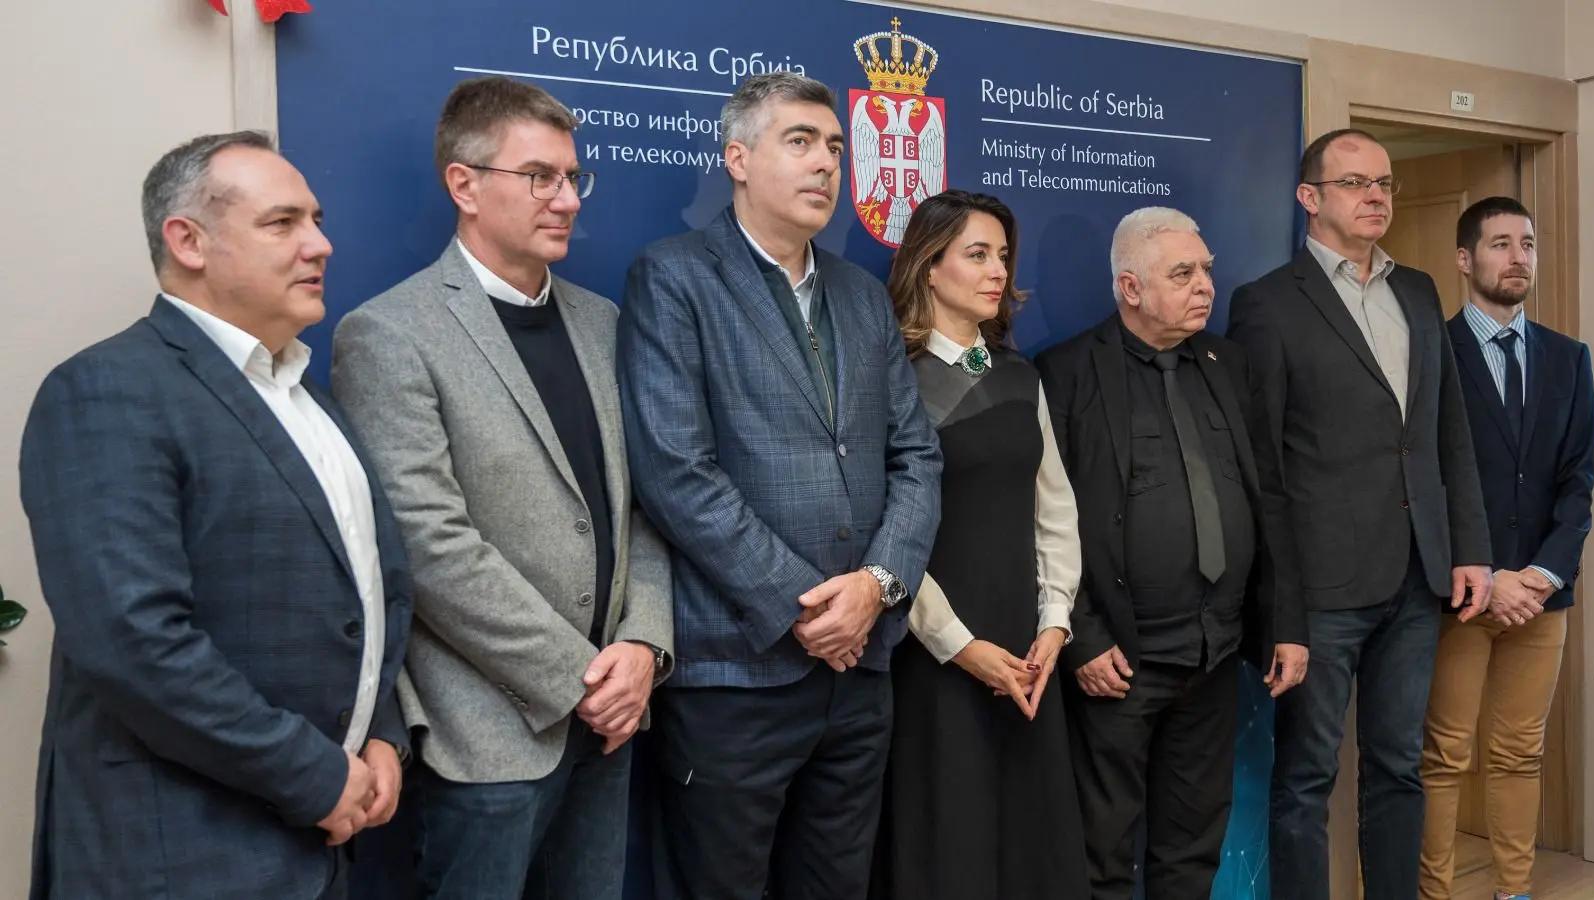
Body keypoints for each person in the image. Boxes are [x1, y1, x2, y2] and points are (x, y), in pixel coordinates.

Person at [18, 131, 412, 900]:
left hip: (321, 848)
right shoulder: (105, 390)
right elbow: (133, 642)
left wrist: (381, 735)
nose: (320, 244)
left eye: (316, 220)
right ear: (188, 241)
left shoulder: (309, 398)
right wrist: (313, 774)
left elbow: (360, 600)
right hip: (178, 856)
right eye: (282, 223)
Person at [330, 76, 673, 900]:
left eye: (573, 177)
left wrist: (645, 646)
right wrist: (582, 679)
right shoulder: (389, 334)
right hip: (487, 736)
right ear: (465, 184)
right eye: (540, 177)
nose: (567, 200)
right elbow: (429, 545)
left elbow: (643, 505)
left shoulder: (602, 321)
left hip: (612, 720)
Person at [617, 71, 942, 900]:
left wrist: (875, 586)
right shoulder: (675, 277)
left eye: (833, 146)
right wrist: (805, 610)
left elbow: (916, 457)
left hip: (859, 673)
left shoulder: (861, 295)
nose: (826, 162)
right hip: (738, 674)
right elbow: (675, 471)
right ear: (738, 159)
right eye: (800, 142)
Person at [1225, 128, 1494, 900]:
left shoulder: (1420, 292)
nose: (1375, 196)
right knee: (1307, 778)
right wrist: (1279, 599)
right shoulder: (1268, 304)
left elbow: (1447, 431)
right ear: (1309, 198)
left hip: (1417, 574)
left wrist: (1469, 547)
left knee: (1399, 765)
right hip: (1322, 589)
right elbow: (1262, 468)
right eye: (1354, 183)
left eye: (1384, 183)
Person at [1035, 207, 1307, 899]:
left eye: (1206, 269)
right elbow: (1042, 520)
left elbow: (1269, 499)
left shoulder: (1228, 363)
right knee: (1101, 851)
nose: (1206, 286)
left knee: (1192, 848)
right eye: (1183, 274)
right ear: (1130, 288)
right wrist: (1082, 637)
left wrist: (1285, 624)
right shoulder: (1066, 372)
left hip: (1214, 654)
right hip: (1117, 662)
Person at [870, 189, 1090, 900]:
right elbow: (883, 532)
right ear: (929, 267)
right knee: (949, 845)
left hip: (1027, 656)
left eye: (1002, 255)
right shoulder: (890, 379)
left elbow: (1054, 508)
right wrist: (959, 646)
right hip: (933, 654)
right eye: (977, 255)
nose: (998, 270)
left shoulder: (1020, 375)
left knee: (1030, 847)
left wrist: (1054, 624)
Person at [1418, 196, 1594, 900]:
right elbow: (1425, 481)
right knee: (1443, 756)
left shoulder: (1569, 359)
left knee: (1521, 752)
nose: (1518, 257)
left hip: (1541, 599)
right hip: (1460, 594)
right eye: (1500, 243)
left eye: (1527, 243)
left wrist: (1544, 574)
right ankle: (1433, 892)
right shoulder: (1432, 353)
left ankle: (1513, 891)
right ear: (1465, 260)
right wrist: (1489, 575)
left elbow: (1578, 481)